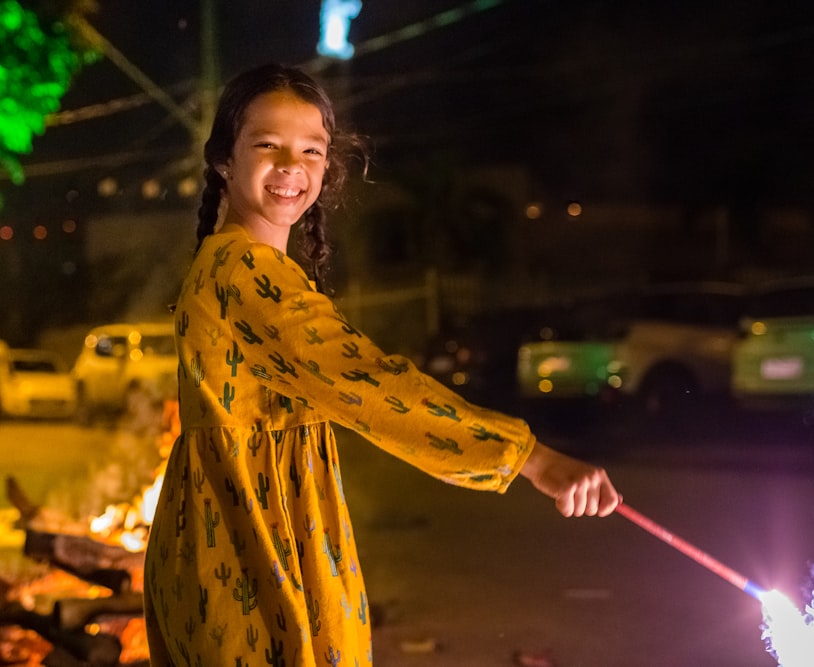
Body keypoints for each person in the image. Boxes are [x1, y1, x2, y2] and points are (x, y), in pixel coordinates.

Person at [142, 63, 620, 666]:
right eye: (267, 145)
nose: (292, 165)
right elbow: (369, 385)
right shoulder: (245, 272)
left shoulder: (238, 265)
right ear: (223, 161)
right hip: (253, 558)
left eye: (311, 149)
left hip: (233, 549)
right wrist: (528, 457)